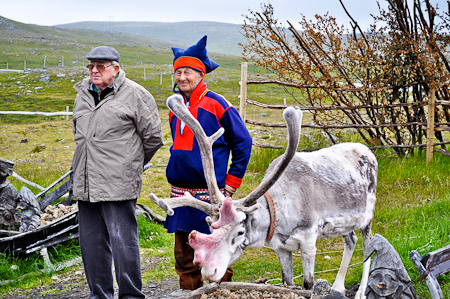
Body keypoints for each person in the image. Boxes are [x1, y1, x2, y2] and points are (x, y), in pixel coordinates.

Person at [71, 46, 164, 299]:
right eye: (91, 66)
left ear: (116, 68)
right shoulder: (82, 94)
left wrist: (128, 165)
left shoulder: (136, 95)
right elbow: (80, 136)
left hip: (118, 183)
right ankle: (99, 295)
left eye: (100, 66)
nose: (94, 71)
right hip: (86, 183)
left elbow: (153, 139)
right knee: (92, 246)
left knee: (124, 244)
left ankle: (131, 296)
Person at [164, 36, 253, 292]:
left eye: (187, 72)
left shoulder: (217, 104)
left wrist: (231, 185)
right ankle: (191, 295)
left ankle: (222, 295)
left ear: (200, 74)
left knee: (216, 252)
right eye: (178, 72)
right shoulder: (175, 106)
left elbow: (243, 143)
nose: (181, 78)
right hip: (181, 196)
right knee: (184, 255)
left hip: (210, 196)